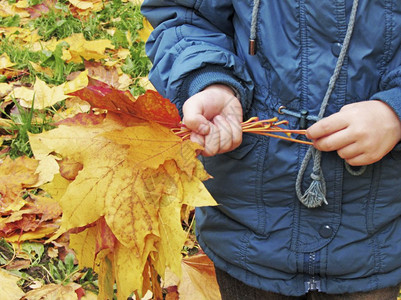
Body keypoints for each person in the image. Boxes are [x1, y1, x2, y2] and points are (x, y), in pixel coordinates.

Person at [141, 1, 401, 299]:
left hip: (373, 235)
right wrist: (209, 79)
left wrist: (394, 112)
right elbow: (183, 15)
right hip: (247, 230)